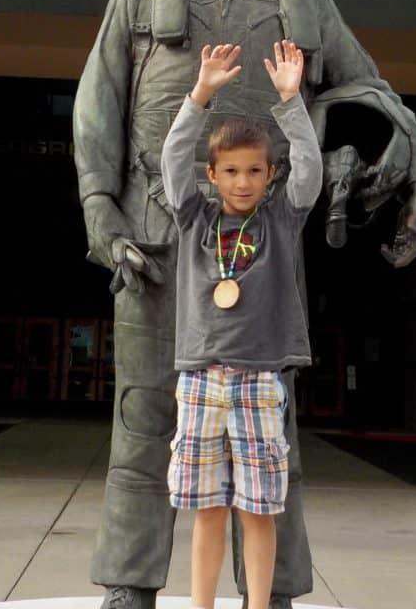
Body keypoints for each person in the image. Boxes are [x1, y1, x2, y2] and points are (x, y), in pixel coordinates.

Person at [73, 0, 416, 609]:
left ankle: (275, 591)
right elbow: (98, 104)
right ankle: (130, 585)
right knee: (144, 418)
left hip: (263, 252)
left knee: (270, 436)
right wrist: (101, 208)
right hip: (158, 237)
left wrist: (382, 140)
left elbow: (373, 92)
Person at [161, 39, 323, 609]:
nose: (243, 181)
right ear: (212, 174)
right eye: (230, 171)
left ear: (269, 173)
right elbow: (172, 159)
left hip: (259, 381)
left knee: (258, 508)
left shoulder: (281, 218)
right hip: (201, 378)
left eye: (254, 170)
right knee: (206, 509)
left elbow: (310, 170)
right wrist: (200, 94)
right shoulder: (194, 219)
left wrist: (290, 100)